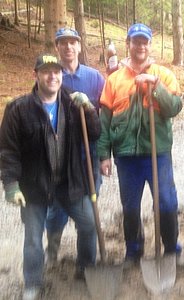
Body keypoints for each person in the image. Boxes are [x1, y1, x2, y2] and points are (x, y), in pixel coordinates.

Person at [0, 54, 100, 300]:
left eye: (56, 71)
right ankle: (33, 283)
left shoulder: (72, 103)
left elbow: (95, 133)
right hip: (34, 185)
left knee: (88, 224)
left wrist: (88, 109)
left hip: (69, 181)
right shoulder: (19, 109)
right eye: (46, 71)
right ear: (36, 75)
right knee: (33, 238)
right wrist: (11, 185)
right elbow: (7, 151)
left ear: (61, 75)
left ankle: (86, 268)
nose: (52, 76)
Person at [97, 23, 184, 267]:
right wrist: (104, 154)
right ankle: (134, 252)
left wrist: (155, 87)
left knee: (166, 201)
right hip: (126, 156)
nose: (140, 46)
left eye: (145, 41)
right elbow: (104, 120)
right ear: (128, 44)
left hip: (158, 153)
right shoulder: (114, 80)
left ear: (150, 45)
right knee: (131, 206)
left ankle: (171, 249)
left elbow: (175, 108)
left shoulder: (163, 74)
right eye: (136, 41)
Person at [45, 27, 105, 267]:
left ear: (79, 46)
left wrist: (103, 155)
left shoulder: (94, 77)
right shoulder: (51, 76)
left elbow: (104, 117)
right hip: (60, 159)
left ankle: (86, 263)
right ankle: (52, 250)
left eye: (72, 42)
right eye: (63, 43)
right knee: (56, 209)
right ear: (57, 47)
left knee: (89, 208)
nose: (68, 47)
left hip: (88, 156)